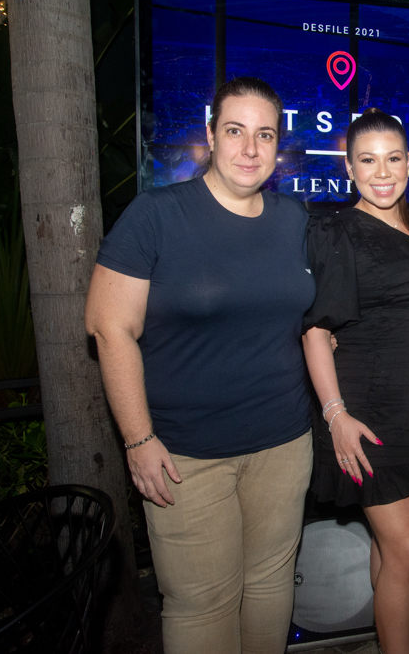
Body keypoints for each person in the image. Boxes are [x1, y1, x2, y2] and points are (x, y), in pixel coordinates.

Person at [85, 77, 314, 654]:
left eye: (265, 135)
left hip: (284, 443)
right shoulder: (157, 215)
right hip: (186, 456)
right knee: (201, 604)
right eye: (235, 131)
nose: (250, 149)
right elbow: (109, 328)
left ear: (277, 145)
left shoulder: (295, 219)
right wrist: (137, 440)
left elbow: (307, 313)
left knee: (268, 588)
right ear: (211, 136)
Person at [302, 108, 409, 654]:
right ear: (349, 167)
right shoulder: (336, 231)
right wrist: (336, 415)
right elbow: (316, 331)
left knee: (391, 548)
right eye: (368, 160)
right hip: (365, 410)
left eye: (393, 158)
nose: (382, 171)